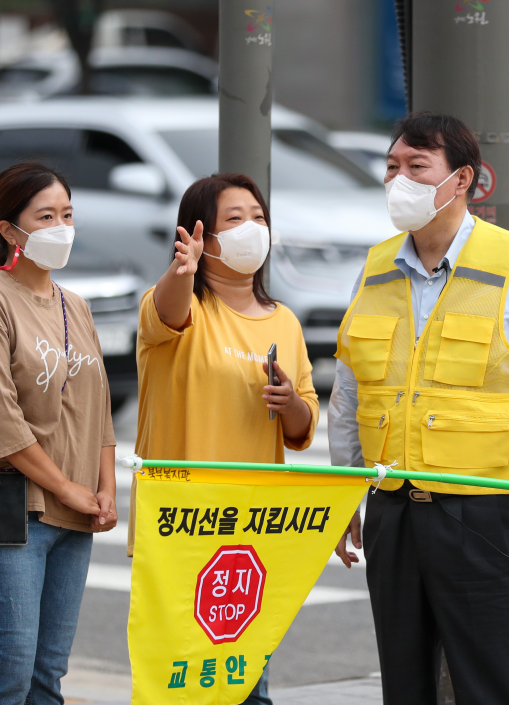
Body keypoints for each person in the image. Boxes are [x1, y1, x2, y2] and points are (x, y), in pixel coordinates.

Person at [328, 112, 509, 705]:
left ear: (461, 180)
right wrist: (345, 489)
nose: (400, 179)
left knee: (495, 688)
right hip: (392, 510)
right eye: (392, 167)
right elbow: (351, 391)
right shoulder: (374, 269)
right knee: (406, 688)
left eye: (417, 167)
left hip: (486, 514)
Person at [134, 172, 319, 705]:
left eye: (258, 217)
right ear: (200, 237)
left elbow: (303, 425)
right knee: (180, 680)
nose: (252, 229)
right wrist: (180, 271)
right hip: (182, 522)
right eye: (234, 219)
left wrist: (292, 407)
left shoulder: (284, 321)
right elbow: (170, 311)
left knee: (242, 681)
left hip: (250, 529)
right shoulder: (179, 306)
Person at [0, 162, 118, 705]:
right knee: (8, 677)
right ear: (8, 230)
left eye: (67, 214)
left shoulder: (76, 306)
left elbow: (100, 413)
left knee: (47, 679)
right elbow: (0, 424)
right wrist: (66, 488)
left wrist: (105, 489)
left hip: (75, 514)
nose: (60, 226)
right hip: (7, 509)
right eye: (45, 216)